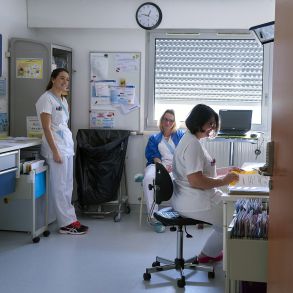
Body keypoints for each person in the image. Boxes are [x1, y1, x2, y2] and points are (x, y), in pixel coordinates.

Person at [172, 104, 239, 263]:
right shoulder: (193, 144)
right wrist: (223, 181)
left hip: (192, 197)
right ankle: (208, 254)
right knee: (236, 219)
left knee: (232, 212)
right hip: (196, 200)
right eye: (210, 124)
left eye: (214, 124)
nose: (212, 128)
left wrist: (227, 170)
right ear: (198, 121)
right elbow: (195, 180)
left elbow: (202, 172)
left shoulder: (192, 139)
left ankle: (210, 252)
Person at [35, 68, 88, 235]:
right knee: (59, 186)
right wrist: (55, 151)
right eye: (62, 78)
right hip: (55, 149)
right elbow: (47, 128)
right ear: (53, 79)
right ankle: (66, 224)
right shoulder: (46, 100)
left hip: (66, 147)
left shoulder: (63, 100)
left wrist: (65, 149)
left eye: (67, 79)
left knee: (67, 186)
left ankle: (70, 219)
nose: (65, 82)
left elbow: (63, 126)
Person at [143, 109, 185, 232]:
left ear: (174, 122)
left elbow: (184, 154)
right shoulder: (154, 138)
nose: (168, 122)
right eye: (165, 119)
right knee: (149, 179)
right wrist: (162, 166)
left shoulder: (180, 135)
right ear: (161, 120)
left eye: (171, 120)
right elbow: (152, 155)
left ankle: (181, 213)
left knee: (181, 181)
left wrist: (175, 165)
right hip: (157, 166)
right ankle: (154, 217)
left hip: (176, 167)